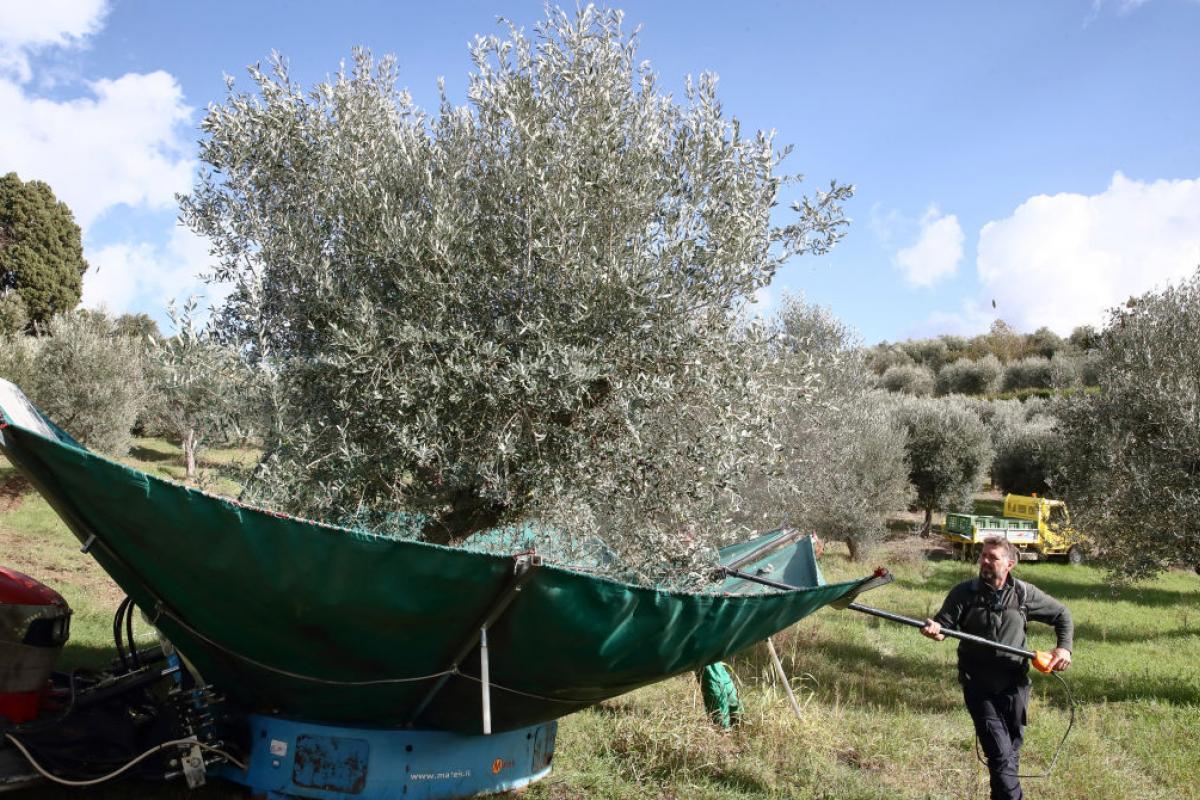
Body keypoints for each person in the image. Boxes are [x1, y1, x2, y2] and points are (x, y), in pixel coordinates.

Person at [920, 536, 1073, 800]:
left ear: (1010, 564)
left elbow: (1062, 615)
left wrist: (1064, 648)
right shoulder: (964, 593)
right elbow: (943, 626)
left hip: (1015, 684)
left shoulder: (1024, 594)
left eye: (993, 557)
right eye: (983, 556)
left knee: (1010, 751)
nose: (986, 561)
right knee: (1000, 753)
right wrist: (935, 630)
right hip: (978, 683)